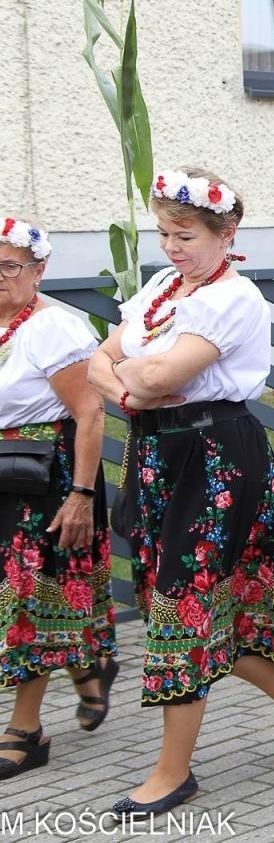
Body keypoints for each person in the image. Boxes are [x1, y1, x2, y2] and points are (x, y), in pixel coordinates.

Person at [85, 167, 274, 814]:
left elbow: (160, 374)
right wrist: (135, 387)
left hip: (215, 455)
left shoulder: (233, 298)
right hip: (159, 453)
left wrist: (134, 378)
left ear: (227, 234)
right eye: (165, 233)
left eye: (185, 235)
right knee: (179, 600)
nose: (172, 247)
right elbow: (99, 363)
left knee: (181, 604)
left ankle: (174, 772)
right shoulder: (163, 287)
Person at [0, 219, 116, 779]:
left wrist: (81, 496)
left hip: (41, 478)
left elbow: (90, 413)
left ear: (39, 270)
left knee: (31, 600)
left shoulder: (54, 328)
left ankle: (25, 729)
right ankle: (88, 666)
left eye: (9, 266)